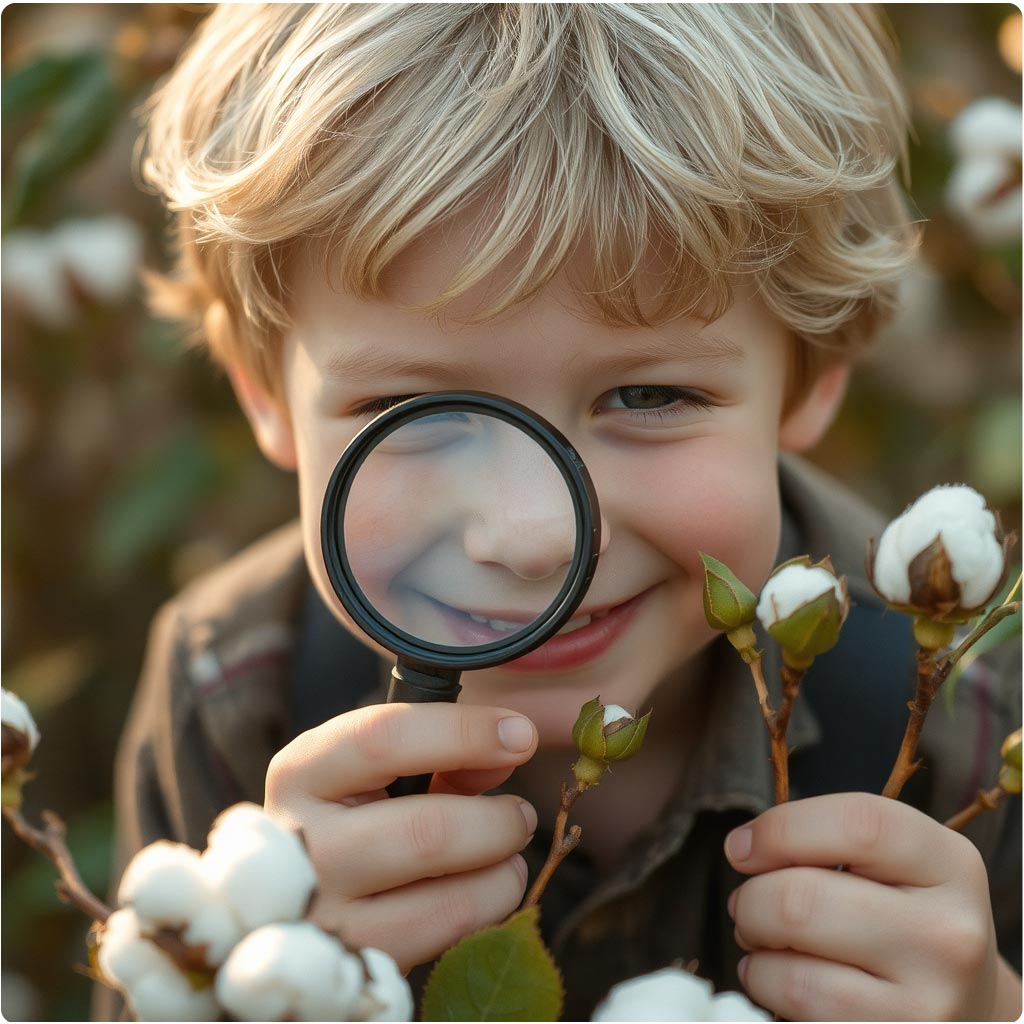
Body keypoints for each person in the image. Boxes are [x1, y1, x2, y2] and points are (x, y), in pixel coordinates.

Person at [106, 5, 1021, 1020]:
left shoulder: (974, 716)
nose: (533, 536)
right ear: (263, 392)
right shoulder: (234, 686)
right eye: (412, 410)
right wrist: (260, 985)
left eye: (647, 396)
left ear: (815, 368)